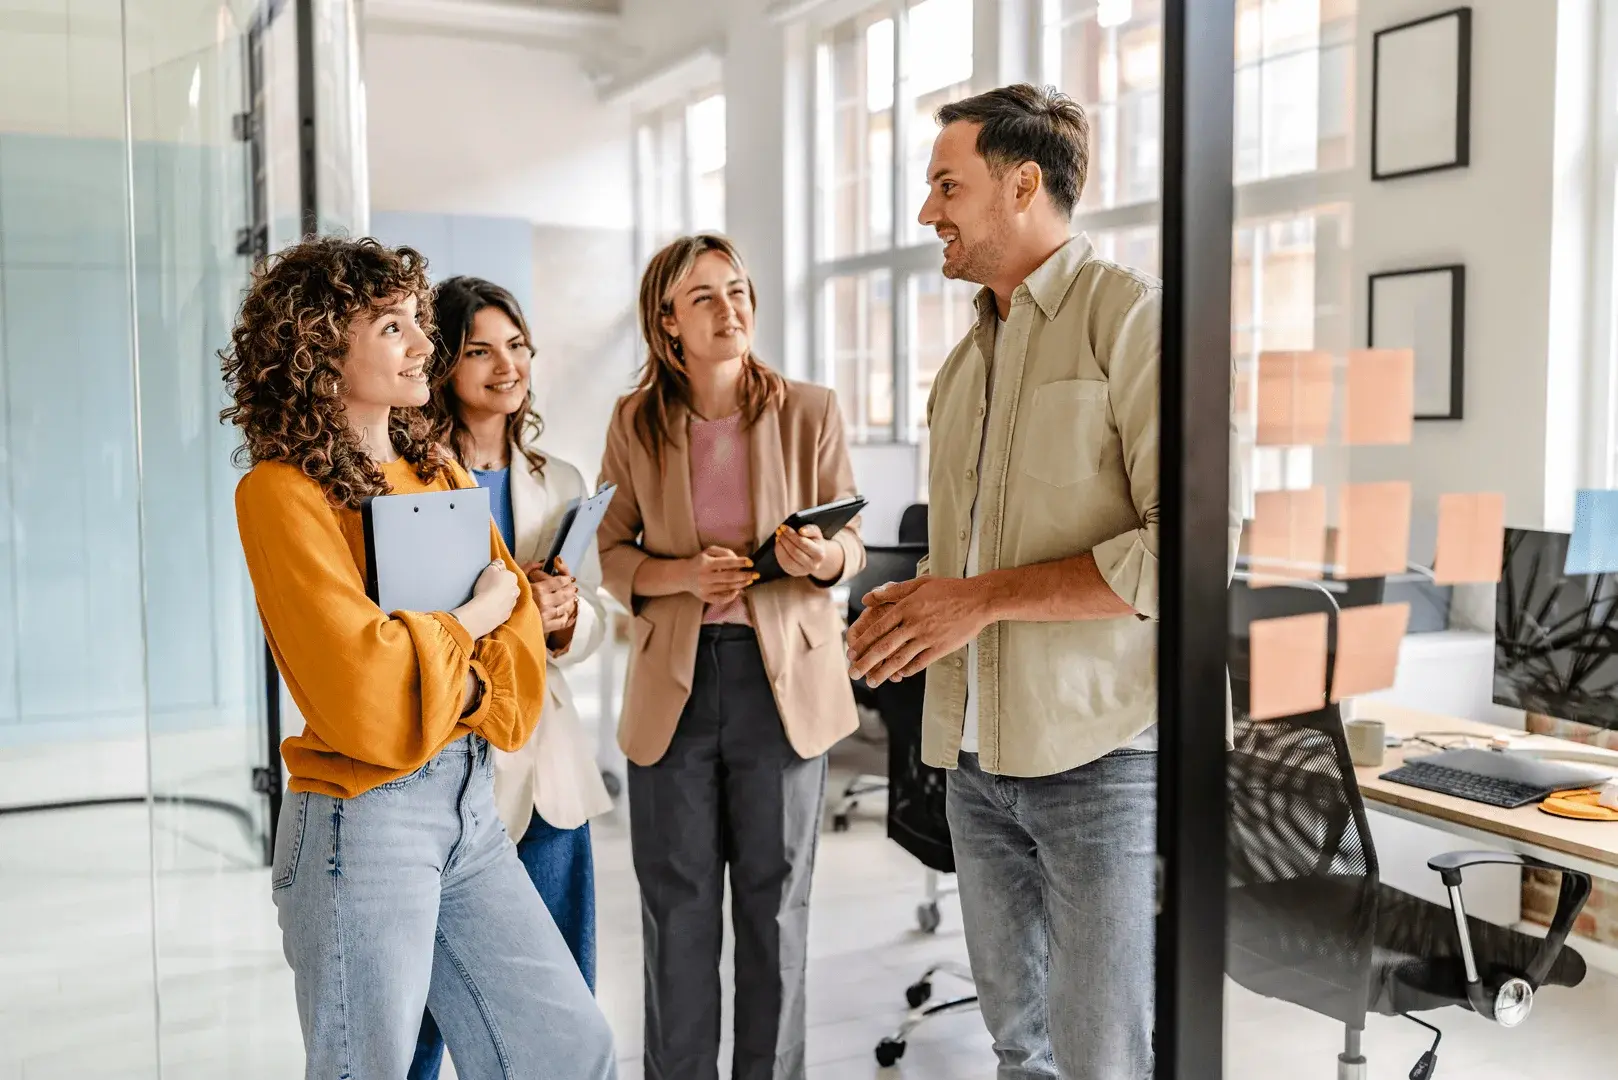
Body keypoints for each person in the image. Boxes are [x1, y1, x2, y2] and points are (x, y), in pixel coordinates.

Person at [845, 85, 1238, 1080]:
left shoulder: (1138, 321)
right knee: (1018, 1046)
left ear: (1023, 184)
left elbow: (1187, 555)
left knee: (1103, 1056)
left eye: (947, 184)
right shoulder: (963, 361)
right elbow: (973, 551)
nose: (927, 211)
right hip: (979, 762)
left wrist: (972, 600)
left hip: (1108, 759)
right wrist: (920, 597)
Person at [222, 237, 616, 1080]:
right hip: (360, 824)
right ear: (322, 345)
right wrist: (469, 618)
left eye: (417, 324)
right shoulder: (278, 495)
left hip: (470, 806)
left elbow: (516, 647)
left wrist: (444, 643)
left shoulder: (432, 467)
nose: (423, 346)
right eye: (392, 326)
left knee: (572, 1050)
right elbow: (362, 696)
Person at [597, 233, 865, 1080]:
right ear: (667, 323)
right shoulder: (634, 422)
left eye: (738, 290)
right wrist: (681, 573)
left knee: (774, 909)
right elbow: (608, 554)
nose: (730, 309)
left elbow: (850, 542)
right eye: (704, 297)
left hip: (780, 686)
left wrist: (818, 559)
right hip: (675, 686)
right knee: (677, 913)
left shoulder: (810, 409)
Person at [405, 275, 616, 1078]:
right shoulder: (407, 477)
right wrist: (508, 602)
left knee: (560, 996)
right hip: (449, 764)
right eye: (480, 350)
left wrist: (562, 616)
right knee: (429, 1006)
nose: (507, 366)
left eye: (518, 346)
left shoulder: (558, 479)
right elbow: (412, 627)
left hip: (547, 770)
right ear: (442, 365)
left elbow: (594, 615)